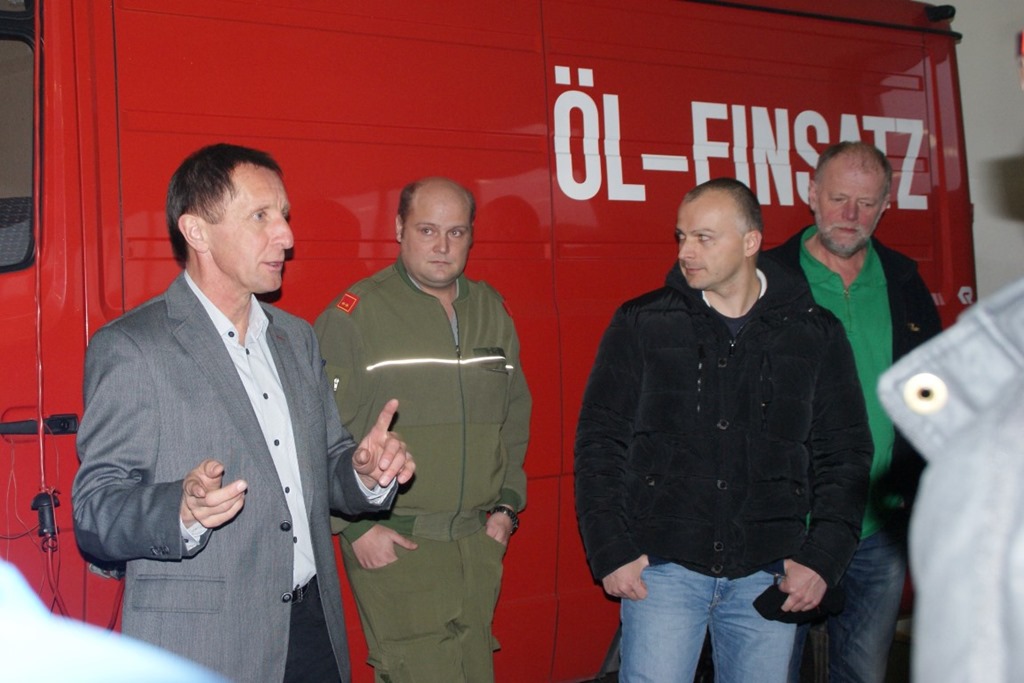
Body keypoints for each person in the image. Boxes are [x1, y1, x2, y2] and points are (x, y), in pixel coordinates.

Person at [71, 143, 415, 683]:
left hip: (312, 630)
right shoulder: (133, 348)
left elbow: (328, 462)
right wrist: (180, 510)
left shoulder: (295, 338)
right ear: (197, 231)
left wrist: (365, 474)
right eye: (261, 216)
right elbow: (95, 512)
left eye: (284, 215)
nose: (287, 236)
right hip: (206, 646)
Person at [574, 177, 872, 682]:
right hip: (663, 574)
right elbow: (599, 442)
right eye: (682, 236)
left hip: (767, 573)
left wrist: (823, 559)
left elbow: (845, 454)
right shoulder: (643, 323)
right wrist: (611, 551)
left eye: (703, 238)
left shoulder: (813, 332)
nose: (685, 252)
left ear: (750, 241)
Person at [314, 177, 531, 682]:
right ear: (399, 229)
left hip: (476, 543)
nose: (442, 246)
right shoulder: (356, 315)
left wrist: (506, 508)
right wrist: (353, 528)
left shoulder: (492, 310)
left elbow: (514, 416)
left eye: (456, 232)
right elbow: (315, 433)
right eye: (427, 230)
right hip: (399, 547)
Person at [769, 141, 942, 683]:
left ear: (885, 205)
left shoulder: (904, 282)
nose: (850, 215)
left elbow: (932, 390)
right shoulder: (766, 280)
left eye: (866, 204)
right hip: (787, 528)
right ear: (811, 194)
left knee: (863, 672)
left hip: (877, 528)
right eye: (838, 198)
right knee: (772, 671)